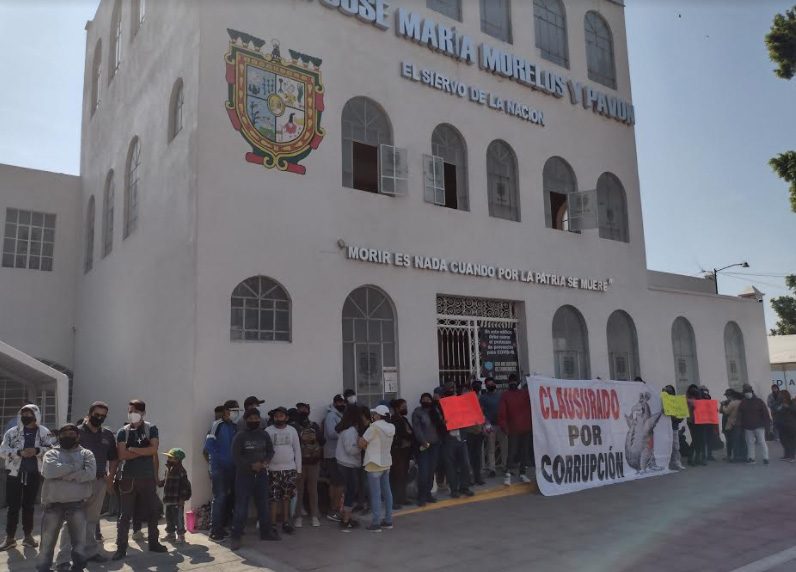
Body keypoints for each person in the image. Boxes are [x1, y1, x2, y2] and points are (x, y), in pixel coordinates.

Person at [55, 402, 118, 568]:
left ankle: (90, 552)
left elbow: (113, 457)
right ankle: (63, 559)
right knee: (72, 521)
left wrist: (110, 476)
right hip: (79, 483)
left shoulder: (108, 435)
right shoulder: (76, 432)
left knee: (91, 520)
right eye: (97, 415)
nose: (100, 418)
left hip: (99, 482)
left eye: (103, 416)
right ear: (89, 413)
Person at [36, 424, 97, 572]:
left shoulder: (86, 454)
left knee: (79, 543)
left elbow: (90, 474)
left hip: (78, 504)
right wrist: (75, 468)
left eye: (71, 434)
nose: (67, 437)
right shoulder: (51, 454)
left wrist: (62, 472)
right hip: (53, 504)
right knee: (47, 543)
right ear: (59, 437)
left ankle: (78, 567)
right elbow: (49, 472)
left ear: (77, 437)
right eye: (63, 435)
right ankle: (43, 568)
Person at [113, 399, 168, 560]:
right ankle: (121, 547)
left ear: (143, 413)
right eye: (129, 411)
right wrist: (144, 451)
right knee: (125, 515)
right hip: (128, 478)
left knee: (152, 512)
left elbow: (154, 450)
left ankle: (154, 542)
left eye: (135, 411)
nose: (131, 414)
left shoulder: (151, 428)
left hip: (147, 477)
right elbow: (122, 454)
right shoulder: (123, 431)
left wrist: (134, 449)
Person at [0, 404, 51, 551]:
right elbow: (2, 451)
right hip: (14, 474)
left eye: (30, 414)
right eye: (24, 414)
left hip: (34, 473)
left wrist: (36, 450)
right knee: (12, 507)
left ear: (36, 415)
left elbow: (52, 449)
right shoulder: (12, 432)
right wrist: (18, 452)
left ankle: (28, 536)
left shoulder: (44, 432)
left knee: (29, 506)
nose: (26, 417)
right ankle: (10, 538)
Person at [230, 408, 277, 550]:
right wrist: (251, 466)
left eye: (256, 418)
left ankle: (266, 532)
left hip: (262, 475)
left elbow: (270, 450)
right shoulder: (240, 436)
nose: (254, 421)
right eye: (250, 419)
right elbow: (236, 456)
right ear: (246, 420)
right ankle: (236, 537)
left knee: (263, 505)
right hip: (244, 476)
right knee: (241, 507)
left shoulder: (264, 434)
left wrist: (265, 462)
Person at [205, 399, 240, 542]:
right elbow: (209, 446)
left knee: (229, 498)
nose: (236, 413)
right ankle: (215, 531)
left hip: (232, 468)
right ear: (227, 411)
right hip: (218, 468)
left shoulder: (234, 427)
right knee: (219, 498)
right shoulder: (217, 425)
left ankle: (225, 526)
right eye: (234, 411)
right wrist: (223, 460)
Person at [265, 407, 302, 536]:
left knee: (287, 497)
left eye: (281, 416)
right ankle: (273, 524)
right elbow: (265, 450)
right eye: (276, 416)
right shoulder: (268, 431)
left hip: (290, 469)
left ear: (286, 418)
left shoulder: (292, 430)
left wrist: (298, 469)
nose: (278, 418)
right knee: (273, 498)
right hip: (272, 470)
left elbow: (297, 450)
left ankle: (286, 522)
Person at [359, 405, 395, 532]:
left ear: (379, 415)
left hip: (373, 463)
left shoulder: (373, 427)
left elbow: (362, 443)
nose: (373, 416)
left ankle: (376, 523)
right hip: (386, 463)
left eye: (374, 414)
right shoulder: (391, 427)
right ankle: (388, 520)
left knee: (375, 494)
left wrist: (364, 444)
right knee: (387, 492)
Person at [439, 382, 475, 499]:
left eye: (453, 388)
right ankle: (454, 489)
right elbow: (437, 422)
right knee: (450, 466)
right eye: (450, 388)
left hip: (461, 436)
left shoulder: (460, 402)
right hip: (449, 438)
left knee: (465, 464)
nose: (452, 390)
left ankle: (464, 487)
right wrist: (443, 423)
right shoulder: (441, 405)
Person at [291, 402, 324, 528]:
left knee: (313, 490)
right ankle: (298, 516)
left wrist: (314, 437)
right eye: (300, 409)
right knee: (299, 491)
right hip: (298, 463)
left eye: (305, 409)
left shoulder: (314, 425)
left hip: (313, 462)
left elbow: (322, 441)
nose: (302, 411)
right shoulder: (293, 427)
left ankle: (314, 516)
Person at [499, 375, 532, 485]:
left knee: (524, 451)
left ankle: (522, 473)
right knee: (512, 452)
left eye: (515, 381)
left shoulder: (525, 393)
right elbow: (502, 413)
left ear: (517, 382)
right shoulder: (506, 395)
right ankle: (508, 474)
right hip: (513, 429)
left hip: (525, 427)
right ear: (509, 382)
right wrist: (504, 426)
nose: (513, 383)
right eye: (512, 381)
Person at [335, 404, 365, 531]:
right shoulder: (348, 431)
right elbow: (349, 449)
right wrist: (361, 445)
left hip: (348, 464)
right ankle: (345, 521)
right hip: (347, 465)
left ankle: (347, 517)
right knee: (351, 492)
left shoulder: (350, 429)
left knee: (351, 492)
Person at [412, 393, 439, 507]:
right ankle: (421, 497)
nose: (426, 401)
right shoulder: (417, 412)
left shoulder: (435, 411)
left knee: (431, 470)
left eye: (428, 399)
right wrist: (423, 441)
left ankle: (428, 494)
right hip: (423, 446)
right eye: (424, 399)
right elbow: (417, 429)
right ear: (421, 400)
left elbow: (440, 425)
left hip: (435, 445)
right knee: (423, 471)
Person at [160, 448, 192, 544]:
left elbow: (184, 486)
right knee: (168, 517)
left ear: (177, 459)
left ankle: (181, 535)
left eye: (171, 457)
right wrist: (160, 482)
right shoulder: (168, 469)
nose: (168, 459)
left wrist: (182, 498)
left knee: (178, 517)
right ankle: (171, 533)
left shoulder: (181, 471)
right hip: (168, 498)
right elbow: (166, 481)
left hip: (177, 499)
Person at [323, 394, 346, 521]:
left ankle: (335, 509)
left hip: (337, 453)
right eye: (339, 402)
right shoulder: (331, 416)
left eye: (343, 402)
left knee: (336, 483)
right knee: (338, 483)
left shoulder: (338, 415)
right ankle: (334, 510)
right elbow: (331, 433)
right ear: (334, 403)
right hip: (333, 453)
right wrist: (345, 434)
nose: (341, 404)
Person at [737, 383, 771, 465]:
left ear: (751, 392)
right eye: (745, 392)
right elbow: (739, 414)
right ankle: (751, 458)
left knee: (761, 442)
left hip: (758, 426)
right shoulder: (744, 402)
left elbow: (765, 414)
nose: (746, 393)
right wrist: (739, 423)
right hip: (749, 426)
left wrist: (767, 425)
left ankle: (765, 458)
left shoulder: (758, 401)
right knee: (750, 442)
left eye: (747, 391)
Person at [480, 377, 506, 478]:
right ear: (486, 386)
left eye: (492, 383)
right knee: (491, 448)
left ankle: (504, 466)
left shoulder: (501, 395)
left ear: (495, 384)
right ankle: (492, 469)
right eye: (488, 384)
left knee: (504, 446)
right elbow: (481, 411)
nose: (490, 385)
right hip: (489, 425)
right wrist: (485, 424)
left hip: (501, 424)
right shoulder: (483, 397)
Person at [388, 399, 412, 508]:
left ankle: (402, 497)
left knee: (403, 475)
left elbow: (410, 433)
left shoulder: (404, 419)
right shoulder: (394, 420)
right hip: (397, 451)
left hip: (405, 450)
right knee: (396, 476)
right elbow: (403, 433)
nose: (405, 408)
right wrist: (408, 434)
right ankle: (394, 500)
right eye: (403, 406)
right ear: (397, 408)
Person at [463, 383, 486, 486]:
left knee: (477, 456)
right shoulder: (462, 403)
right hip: (468, 432)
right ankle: (470, 477)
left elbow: (482, 414)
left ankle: (478, 476)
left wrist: (483, 427)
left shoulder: (478, 400)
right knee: (469, 456)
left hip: (478, 431)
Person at [662, 386, 686, 470]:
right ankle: (666, 463)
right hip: (664, 429)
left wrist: (675, 417)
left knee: (675, 446)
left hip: (673, 427)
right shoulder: (662, 402)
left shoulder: (677, 402)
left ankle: (676, 462)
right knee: (665, 446)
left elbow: (681, 417)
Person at [720, 390, 744, 462]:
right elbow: (720, 411)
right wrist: (722, 405)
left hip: (732, 423)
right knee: (729, 441)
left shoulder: (734, 403)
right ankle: (729, 455)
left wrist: (724, 406)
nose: (727, 397)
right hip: (726, 423)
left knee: (734, 440)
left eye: (728, 396)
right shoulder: (726, 402)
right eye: (726, 396)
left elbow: (726, 412)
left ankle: (734, 455)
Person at [685, 385, 706, 467]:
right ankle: (690, 459)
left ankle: (697, 458)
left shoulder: (699, 400)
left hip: (701, 421)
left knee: (700, 441)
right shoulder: (688, 400)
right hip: (692, 421)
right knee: (695, 440)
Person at [773, 390, 796, 461]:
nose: (780, 396)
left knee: (791, 441)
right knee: (783, 440)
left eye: (781, 395)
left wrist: (788, 407)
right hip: (781, 425)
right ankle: (786, 455)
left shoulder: (792, 403)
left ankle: (792, 456)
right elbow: (775, 410)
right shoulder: (779, 403)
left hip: (790, 425)